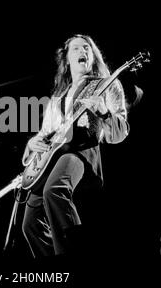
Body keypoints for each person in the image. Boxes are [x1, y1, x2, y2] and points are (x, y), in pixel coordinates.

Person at [21, 34, 129, 258]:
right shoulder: (57, 98)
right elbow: (44, 135)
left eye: (87, 47)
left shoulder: (106, 85)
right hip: (51, 159)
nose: (84, 51)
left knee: (55, 190)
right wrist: (32, 144)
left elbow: (120, 133)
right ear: (67, 59)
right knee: (30, 223)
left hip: (81, 152)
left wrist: (104, 112)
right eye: (77, 48)